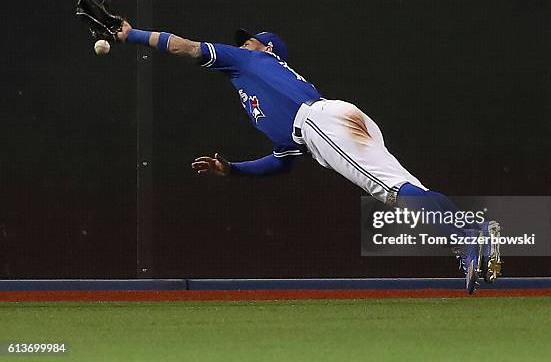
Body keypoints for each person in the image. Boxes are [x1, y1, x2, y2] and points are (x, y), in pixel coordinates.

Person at [114, 20, 501, 294]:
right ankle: (470, 234)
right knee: (409, 188)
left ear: (268, 51)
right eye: (244, 41)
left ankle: (468, 240)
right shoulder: (256, 89)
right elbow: (283, 159)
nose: (244, 43)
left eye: (252, 40)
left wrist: (132, 35)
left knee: (394, 192)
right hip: (331, 120)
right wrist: (232, 170)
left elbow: (186, 47)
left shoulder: (249, 61)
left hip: (317, 122)